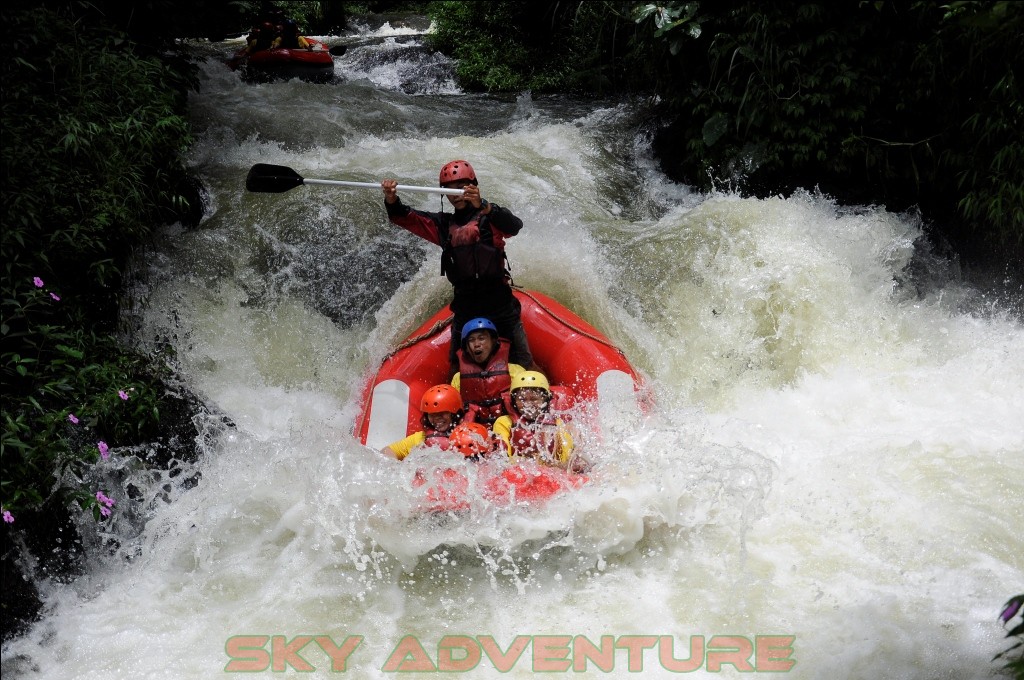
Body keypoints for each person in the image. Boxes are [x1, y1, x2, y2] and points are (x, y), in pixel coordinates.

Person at [381, 160, 538, 375]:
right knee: (457, 370)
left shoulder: (489, 216)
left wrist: (483, 204)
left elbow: (514, 226)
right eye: (449, 190)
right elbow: (407, 217)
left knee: (525, 363)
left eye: (461, 187)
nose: (455, 194)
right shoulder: (443, 225)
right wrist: (391, 199)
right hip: (465, 307)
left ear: (473, 186)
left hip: (500, 305)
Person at [492, 371, 590, 474]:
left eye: (534, 399)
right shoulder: (504, 423)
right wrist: (522, 461)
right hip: (518, 474)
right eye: (522, 399)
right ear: (514, 401)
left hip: (549, 474)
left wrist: (550, 464)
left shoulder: (556, 424)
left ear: (546, 400)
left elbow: (566, 458)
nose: (528, 404)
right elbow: (500, 458)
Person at [450, 318, 524, 426]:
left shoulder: (514, 371)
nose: (476, 344)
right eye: (471, 340)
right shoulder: (458, 378)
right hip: (475, 430)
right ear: (466, 347)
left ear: (493, 341)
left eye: (481, 338)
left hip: (507, 426)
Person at [382, 384, 464, 460]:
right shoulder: (421, 438)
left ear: (455, 414)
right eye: (432, 414)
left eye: (442, 413)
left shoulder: (469, 435)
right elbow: (387, 451)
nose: (437, 418)